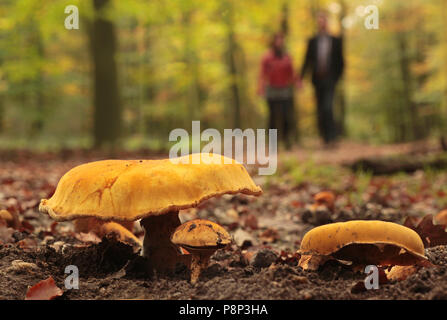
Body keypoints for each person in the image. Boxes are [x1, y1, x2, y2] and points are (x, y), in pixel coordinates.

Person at [298, 10, 344, 146]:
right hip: (317, 80)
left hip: (330, 79)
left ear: (327, 22)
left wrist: (338, 78)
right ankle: (325, 138)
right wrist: (301, 78)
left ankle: (332, 137)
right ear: (318, 23)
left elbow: (341, 61)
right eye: (319, 21)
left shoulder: (336, 40)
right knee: (320, 109)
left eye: (324, 21)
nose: (322, 23)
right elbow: (307, 60)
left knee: (328, 107)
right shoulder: (312, 41)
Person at [258, 32, 297, 149]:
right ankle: (272, 142)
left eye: (281, 40)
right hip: (272, 89)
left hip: (285, 89)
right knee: (273, 117)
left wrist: (297, 83)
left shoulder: (287, 57)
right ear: (273, 42)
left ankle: (287, 141)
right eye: (277, 40)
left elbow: (292, 73)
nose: (279, 42)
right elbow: (262, 74)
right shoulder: (267, 57)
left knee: (286, 116)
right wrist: (261, 88)